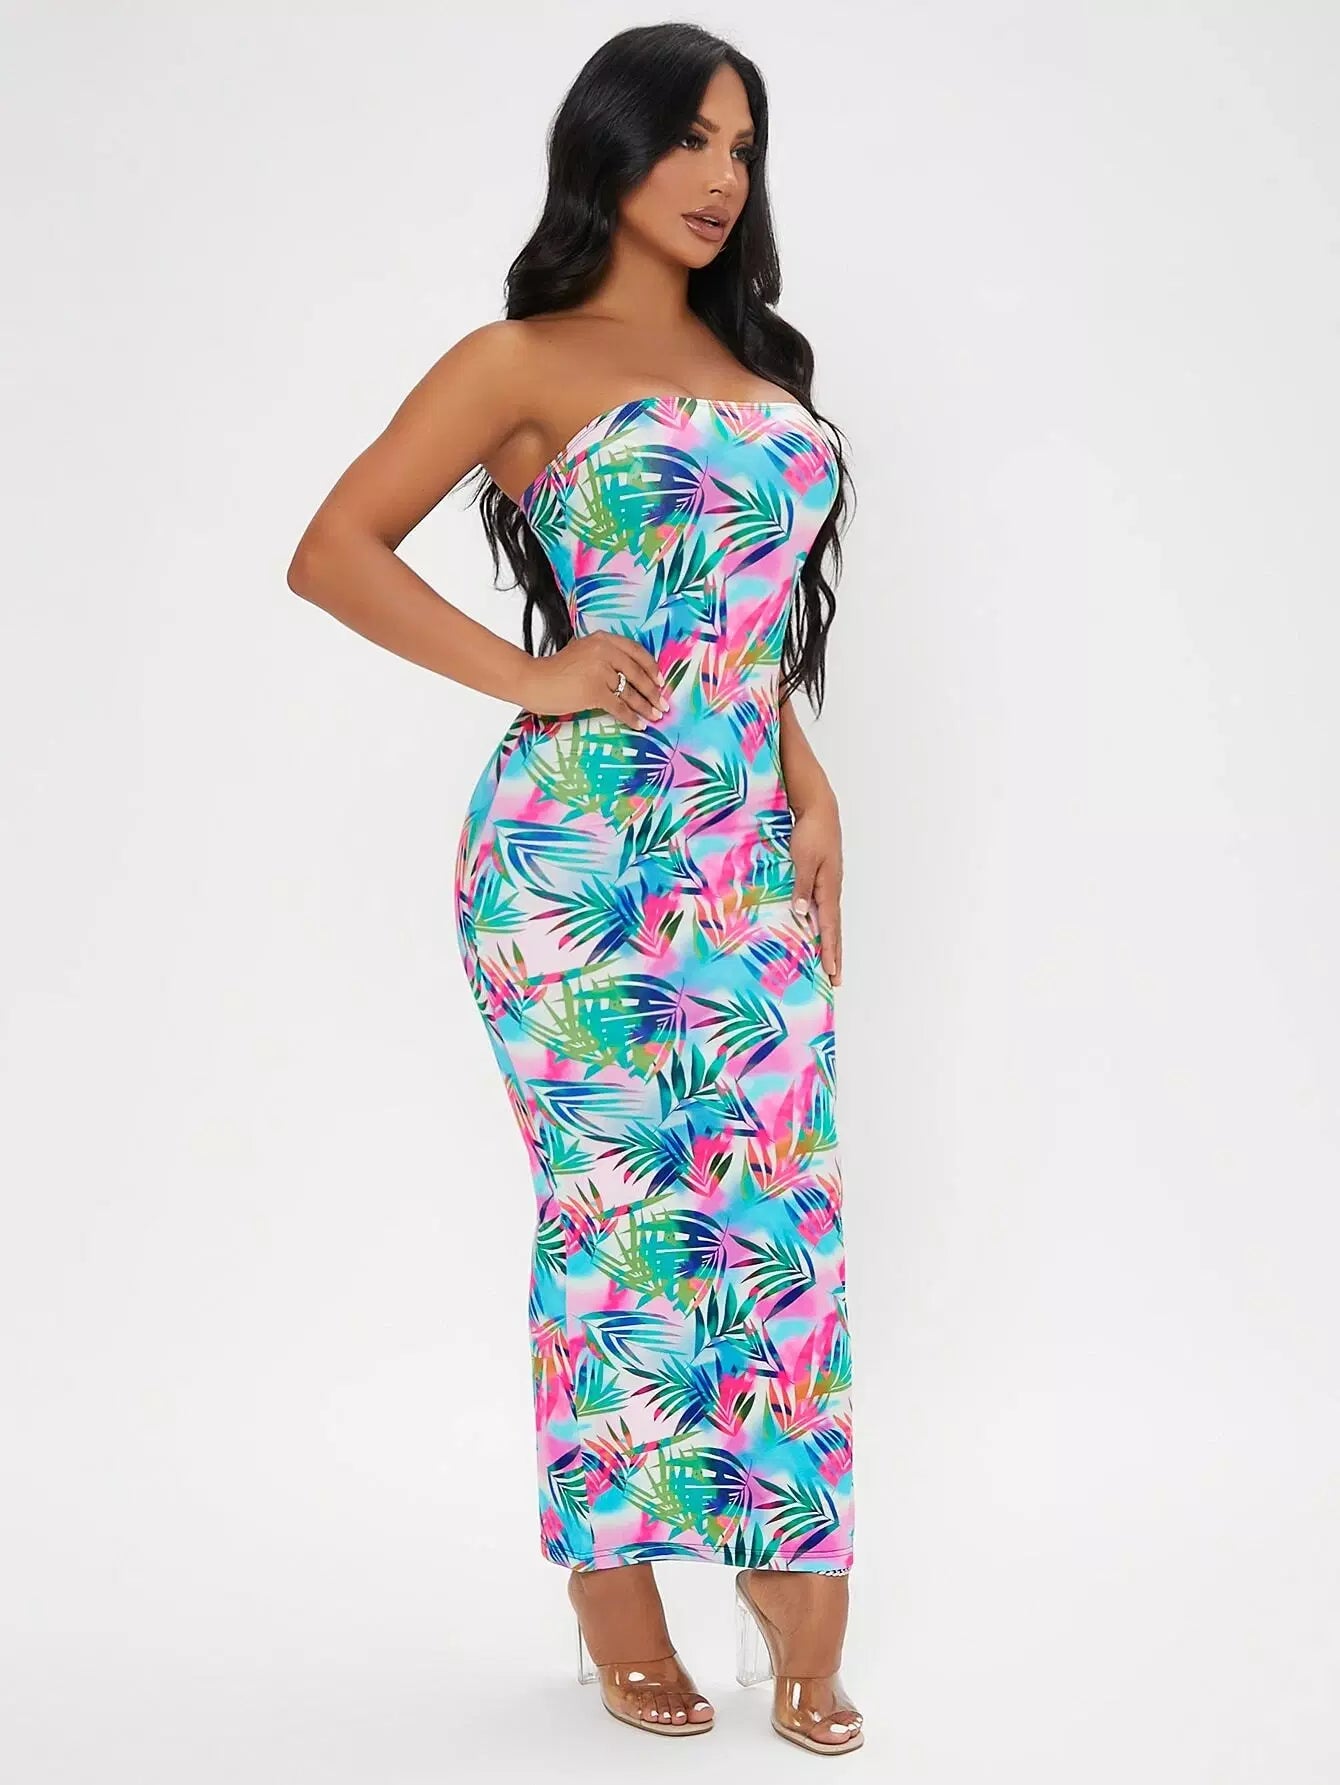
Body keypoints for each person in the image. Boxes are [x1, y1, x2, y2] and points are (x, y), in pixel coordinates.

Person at [287, 21, 863, 1758]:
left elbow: (736, 619)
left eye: (744, 147)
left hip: (745, 846)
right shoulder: (518, 359)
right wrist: (531, 673)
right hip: (578, 862)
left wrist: (806, 778)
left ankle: (792, 1581)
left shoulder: (754, 363)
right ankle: (616, 1596)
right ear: (609, 148)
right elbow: (331, 550)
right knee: (618, 1219)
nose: (721, 176)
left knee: (777, 1211)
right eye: (690, 137)